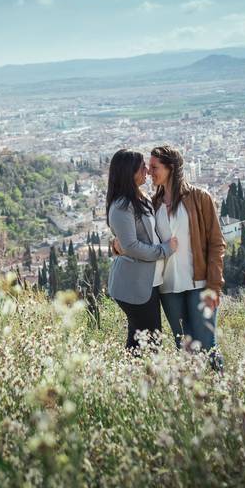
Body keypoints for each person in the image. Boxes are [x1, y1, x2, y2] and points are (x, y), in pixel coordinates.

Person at [119, 145, 226, 368]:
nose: (149, 172)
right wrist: (116, 244)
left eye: (154, 167)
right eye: (148, 167)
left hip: (200, 283)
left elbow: (216, 243)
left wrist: (215, 285)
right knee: (184, 347)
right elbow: (137, 236)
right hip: (168, 288)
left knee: (207, 344)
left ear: (171, 168)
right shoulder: (152, 203)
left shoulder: (199, 198)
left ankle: (220, 393)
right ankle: (195, 395)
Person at [105, 149, 178, 352]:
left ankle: (129, 380)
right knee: (152, 341)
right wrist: (165, 250)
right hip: (133, 285)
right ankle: (145, 381)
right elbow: (132, 246)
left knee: (139, 340)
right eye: (142, 167)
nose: (147, 170)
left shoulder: (141, 197)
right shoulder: (122, 205)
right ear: (130, 173)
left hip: (147, 282)